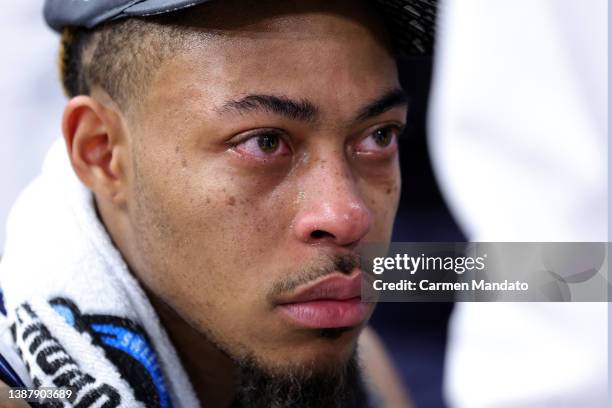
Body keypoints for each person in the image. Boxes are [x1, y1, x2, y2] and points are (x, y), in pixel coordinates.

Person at [0, 0, 435, 406]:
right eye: (264, 143)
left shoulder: (361, 362)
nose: (347, 216)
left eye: (379, 136)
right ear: (103, 153)